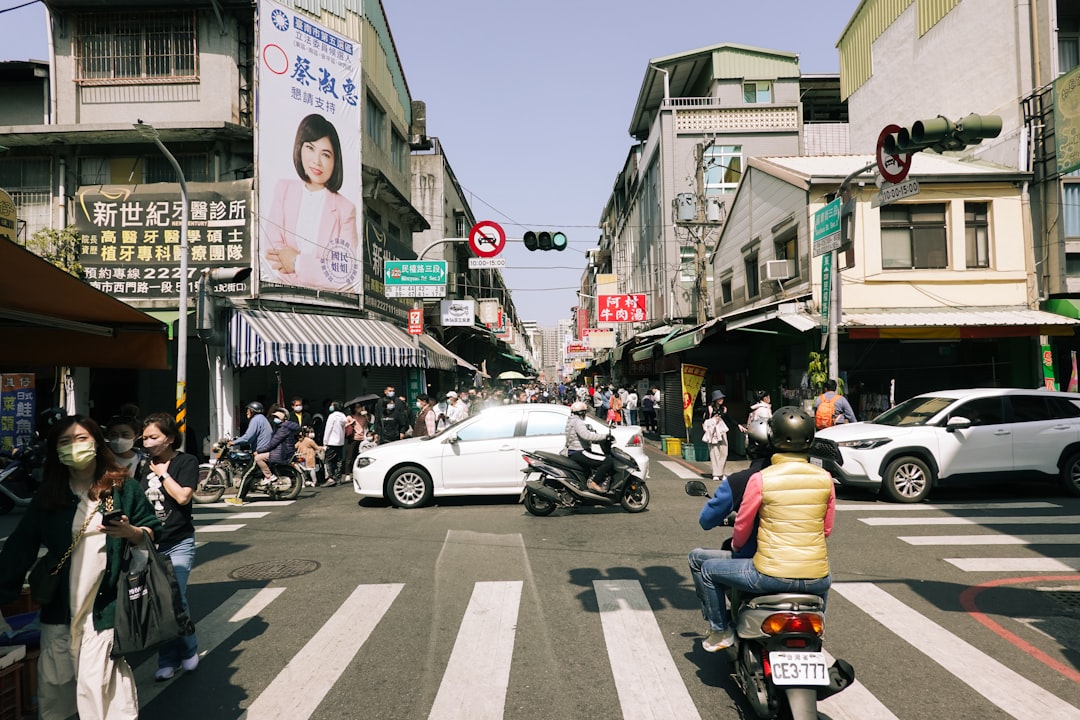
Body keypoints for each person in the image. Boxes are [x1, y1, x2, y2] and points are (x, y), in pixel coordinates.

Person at [0, 414, 161, 720]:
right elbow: (19, 547)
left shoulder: (121, 488)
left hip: (105, 603)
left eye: (82, 438)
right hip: (59, 604)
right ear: (55, 451)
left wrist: (132, 533)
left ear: (98, 444)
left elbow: (152, 530)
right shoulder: (50, 495)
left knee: (97, 681)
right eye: (65, 441)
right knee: (55, 681)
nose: (74, 447)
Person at [696, 406, 835, 652]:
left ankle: (720, 630)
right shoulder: (825, 478)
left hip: (770, 574)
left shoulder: (760, 479)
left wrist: (739, 548)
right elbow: (826, 529)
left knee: (707, 569)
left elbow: (742, 526)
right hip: (817, 579)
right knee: (825, 577)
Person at [688, 417, 773, 635]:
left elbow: (707, 521)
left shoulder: (744, 480)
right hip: (806, 568)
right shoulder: (809, 479)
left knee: (698, 560)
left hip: (758, 564)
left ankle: (719, 626)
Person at [262, 113, 360, 292]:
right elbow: (270, 251)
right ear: (299, 148)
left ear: (335, 161)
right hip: (281, 293)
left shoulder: (345, 209)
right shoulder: (284, 189)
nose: (316, 161)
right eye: (310, 148)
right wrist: (316, 270)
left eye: (326, 154)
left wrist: (296, 262)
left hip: (329, 301)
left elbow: (343, 274)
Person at [138, 412, 201, 680]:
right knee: (156, 604)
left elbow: (183, 497)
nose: (148, 442)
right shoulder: (142, 467)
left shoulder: (186, 462)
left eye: (154, 437)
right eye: (145, 438)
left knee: (176, 599)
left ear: (170, 438)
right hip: (149, 546)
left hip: (179, 543)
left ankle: (188, 650)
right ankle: (167, 659)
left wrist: (163, 474)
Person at [564, 401, 614, 494]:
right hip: (579, 451)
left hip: (574, 451)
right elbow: (586, 436)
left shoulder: (571, 420)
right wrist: (605, 436)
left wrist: (595, 438)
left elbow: (580, 436)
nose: (585, 414)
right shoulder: (577, 421)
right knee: (608, 461)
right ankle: (594, 483)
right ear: (581, 412)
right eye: (585, 412)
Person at [702, 390, 730, 482]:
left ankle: (721, 473)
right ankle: (716, 474)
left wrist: (738, 425)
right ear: (715, 399)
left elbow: (729, 418)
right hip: (713, 432)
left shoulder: (724, 409)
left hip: (722, 432)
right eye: (720, 398)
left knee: (724, 452)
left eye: (722, 398)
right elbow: (705, 420)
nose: (722, 399)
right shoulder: (710, 409)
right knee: (714, 453)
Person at [321, 401, 348, 486]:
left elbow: (328, 429)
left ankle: (330, 478)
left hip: (331, 441)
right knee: (338, 460)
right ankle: (338, 478)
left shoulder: (332, 416)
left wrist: (325, 442)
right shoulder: (343, 416)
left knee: (328, 460)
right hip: (340, 442)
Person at [343, 403, 370, 474]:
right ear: (354, 409)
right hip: (353, 438)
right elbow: (344, 426)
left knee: (359, 456)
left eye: (361, 407)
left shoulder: (363, 417)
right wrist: (351, 423)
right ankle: (347, 473)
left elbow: (367, 426)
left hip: (362, 439)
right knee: (350, 456)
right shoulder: (350, 417)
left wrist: (366, 415)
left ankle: (358, 471)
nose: (360, 408)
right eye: (358, 407)